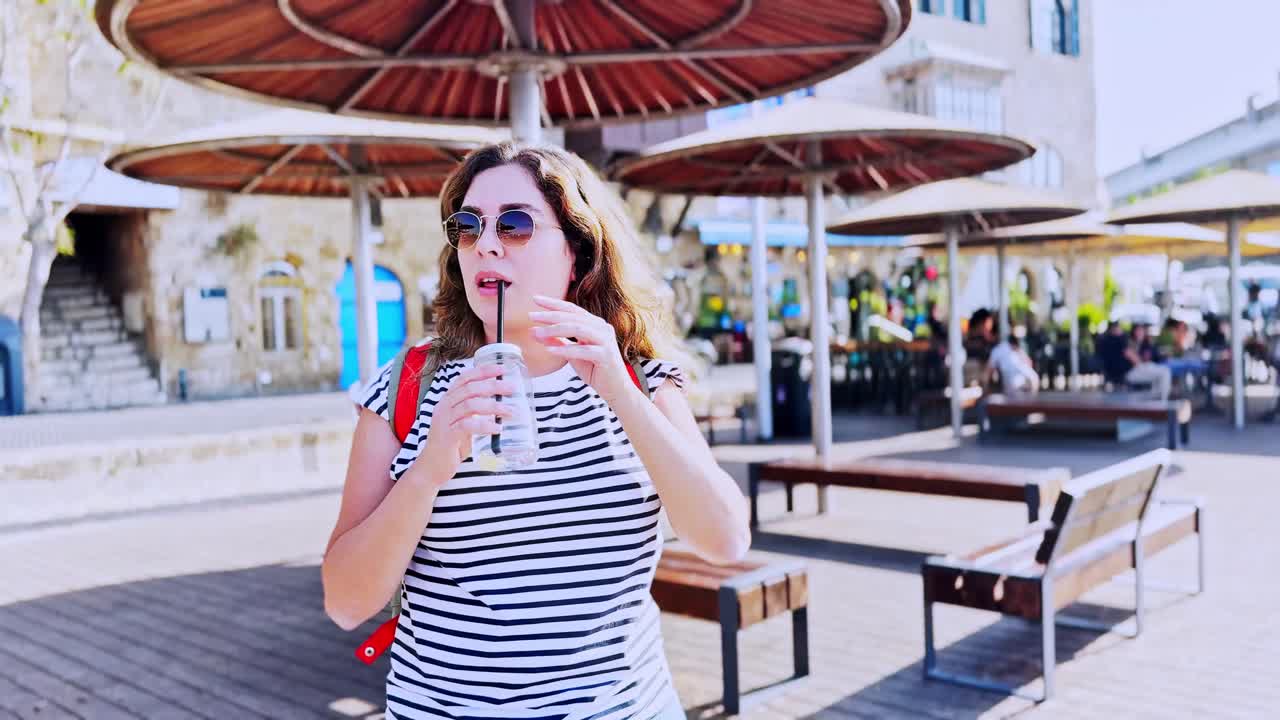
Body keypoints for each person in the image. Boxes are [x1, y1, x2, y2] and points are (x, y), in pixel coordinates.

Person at [323, 143, 750, 720]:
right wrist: (431, 466)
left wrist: (620, 392)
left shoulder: (640, 380)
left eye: (516, 224)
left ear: (578, 250)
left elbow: (725, 540)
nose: (487, 244)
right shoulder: (408, 387)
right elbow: (346, 601)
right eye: (468, 227)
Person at [1097, 321, 1171, 400]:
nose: (1120, 330)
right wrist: (1144, 364)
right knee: (1165, 372)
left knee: (1160, 373)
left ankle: (1158, 401)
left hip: (1120, 374)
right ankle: (1162, 402)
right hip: (1127, 373)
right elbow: (1134, 359)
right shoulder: (1119, 340)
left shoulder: (1106, 341)